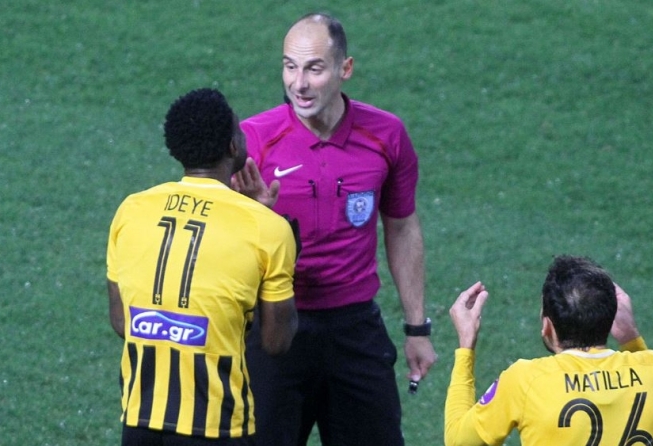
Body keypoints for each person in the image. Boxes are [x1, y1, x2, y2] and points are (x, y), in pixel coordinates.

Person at [231, 12, 437, 446]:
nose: (299, 84)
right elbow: (220, 243)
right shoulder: (253, 139)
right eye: (290, 66)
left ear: (345, 69)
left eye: (314, 68)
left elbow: (401, 227)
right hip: (275, 329)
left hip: (355, 330)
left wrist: (417, 329)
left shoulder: (386, 135)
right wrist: (253, 217)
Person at [106, 88, 299, 445]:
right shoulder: (267, 229)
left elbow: (122, 322)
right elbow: (276, 341)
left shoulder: (131, 210)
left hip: (140, 420)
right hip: (217, 426)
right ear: (232, 147)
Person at [445, 255, 653, 446]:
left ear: (548, 326)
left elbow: (459, 441)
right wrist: (631, 338)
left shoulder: (526, 381)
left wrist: (466, 345)